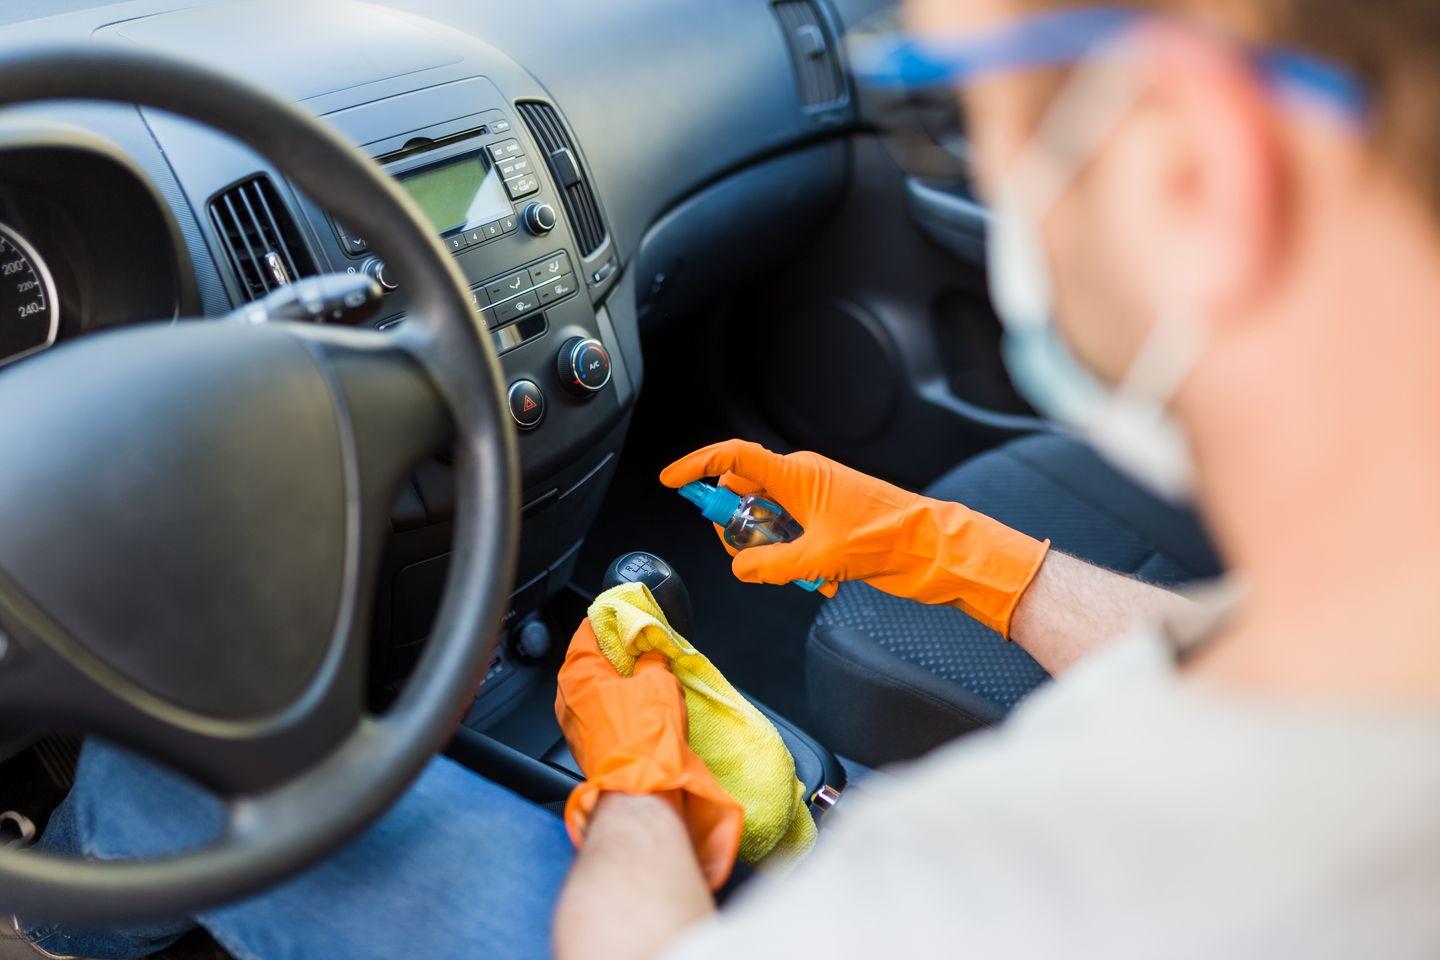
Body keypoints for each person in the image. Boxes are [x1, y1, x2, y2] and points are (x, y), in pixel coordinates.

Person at [13, 0, 1440, 956]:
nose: (983, 171)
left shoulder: (990, 892)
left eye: (953, 112)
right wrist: (961, 554)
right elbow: (1259, 646)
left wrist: (642, 795)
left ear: (1190, 175)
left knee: (163, 785)